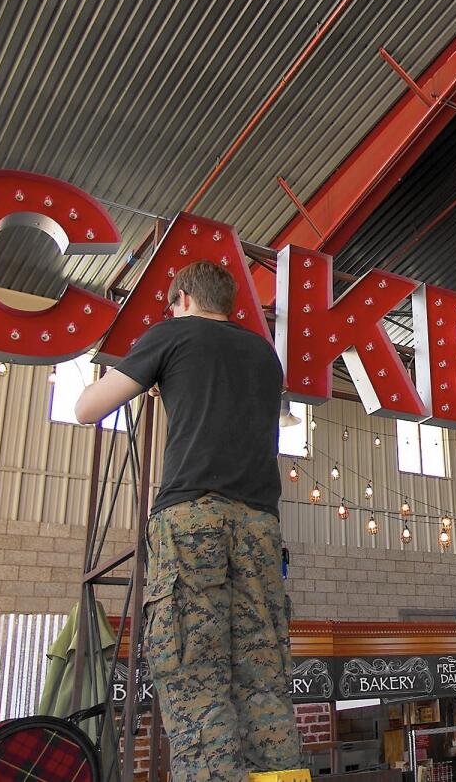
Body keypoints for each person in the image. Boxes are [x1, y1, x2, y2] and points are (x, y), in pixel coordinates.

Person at [75, 261, 301, 781]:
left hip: (192, 517)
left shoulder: (171, 334)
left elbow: (88, 408)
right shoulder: (264, 356)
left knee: (195, 675)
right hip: (260, 524)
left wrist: (145, 373)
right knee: (263, 677)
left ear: (181, 299)